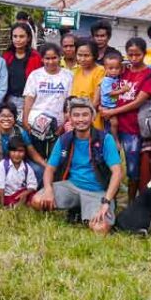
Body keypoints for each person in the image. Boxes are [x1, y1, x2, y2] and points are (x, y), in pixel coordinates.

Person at [31, 99, 123, 233]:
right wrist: (48, 190)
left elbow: (117, 172)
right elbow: (50, 168)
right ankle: (77, 208)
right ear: (70, 118)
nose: (80, 119)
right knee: (37, 201)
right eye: (76, 115)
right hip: (72, 186)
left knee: (100, 229)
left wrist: (106, 202)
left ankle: (83, 211)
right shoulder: (65, 139)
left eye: (85, 115)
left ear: (93, 117)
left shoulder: (105, 139)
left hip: (97, 192)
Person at [100, 38, 151, 204]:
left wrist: (112, 111)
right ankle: (110, 200)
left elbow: (138, 102)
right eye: (130, 54)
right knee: (109, 163)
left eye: (137, 54)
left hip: (133, 128)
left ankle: (132, 202)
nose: (133, 58)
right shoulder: (121, 70)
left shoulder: (149, 75)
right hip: (111, 124)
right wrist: (100, 107)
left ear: (144, 54)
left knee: (133, 168)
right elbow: (104, 88)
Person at [21, 43, 73, 161]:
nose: (51, 61)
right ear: (42, 59)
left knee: (55, 157)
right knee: (37, 156)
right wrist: (25, 120)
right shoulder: (35, 75)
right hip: (35, 123)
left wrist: (63, 123)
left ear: (60, 57)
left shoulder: (68, 76)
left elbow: (69, 103)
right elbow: (29, 99)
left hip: (58, 123)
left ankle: (53, 179)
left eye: (54, 58)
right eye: (47, 58)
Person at [0, 103, 47, 180]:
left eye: (10, 116)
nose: (6, 119)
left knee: (39, 170)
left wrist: (47, 166)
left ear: (14, 119)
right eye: (3, 116)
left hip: (16, 166)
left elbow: (33, 154)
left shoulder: (20, 132)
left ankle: (28, 190)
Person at [2, 22, 42, 117]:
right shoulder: (7, 56)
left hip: (29, 101)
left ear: (28, 38)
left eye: (21, 36)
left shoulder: (36, 57)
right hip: (9, 99)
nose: (18, 40)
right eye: (15, 36)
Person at [0, 135, 39, 207]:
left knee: (35, 196)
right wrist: (1, 208)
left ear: (25, 152)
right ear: (9, 151)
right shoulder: (2, 166)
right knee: (14, 203)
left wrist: (25, 193)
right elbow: (0, 189)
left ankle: (21, 205)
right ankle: (15, 207)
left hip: (22, 194)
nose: (17, 154)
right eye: (14, 151)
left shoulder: (27, 167)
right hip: (8, 197)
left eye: (20, 151)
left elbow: (33, 185)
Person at [69, 39, 106, 130]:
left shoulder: (100, 71)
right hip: (76, 119)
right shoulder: (77, 71)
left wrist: (84, 117)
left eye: (86, 55)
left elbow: (96, 101)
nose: (82, 59)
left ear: (94, 55)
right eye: (79, 55)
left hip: (93, 117)